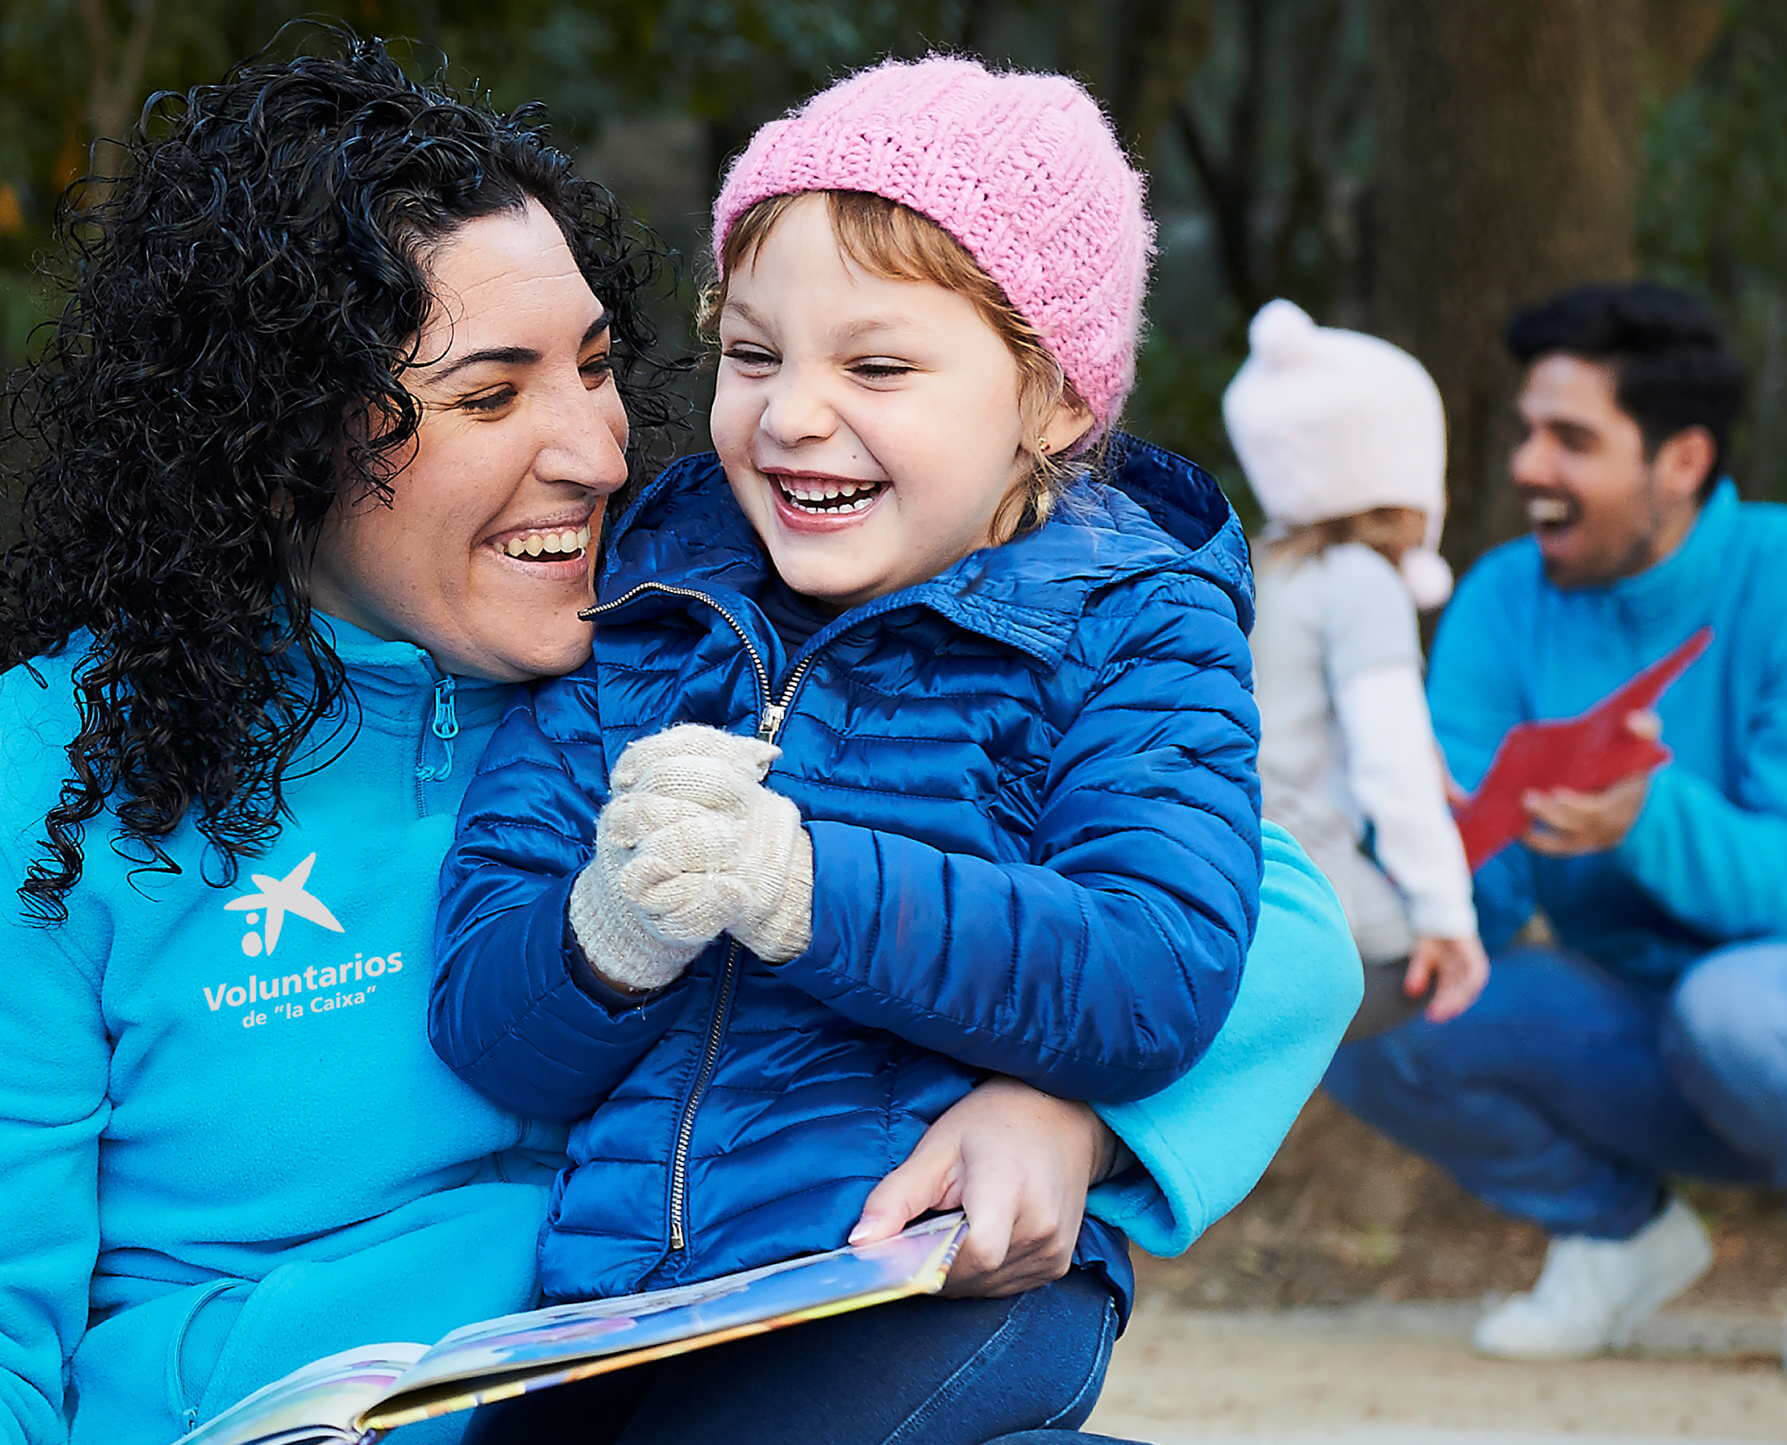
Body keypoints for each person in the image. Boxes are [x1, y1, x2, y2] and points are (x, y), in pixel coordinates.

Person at [0, 28, 1361, 1445]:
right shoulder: (53, 766)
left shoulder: (683, 634)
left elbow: (1266, 913)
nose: (595, 451)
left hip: (703, 1375)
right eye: (487, 393)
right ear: (278, 431)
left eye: (594, 367)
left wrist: (1066, 1110)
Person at [431, 56, 1262, 1443]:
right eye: (752, 355)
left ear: (1051, 402)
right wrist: (606, 933)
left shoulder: (1130, 625)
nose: (792, 412)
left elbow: (1153, 966)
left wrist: (804, 888)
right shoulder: (648, 604)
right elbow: (487, 1022)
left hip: (921, 1287)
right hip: (622, 1317)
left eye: (874, 364)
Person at [1326, 281, 1787, 1360]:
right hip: (1638, 1025)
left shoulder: (1774, 574)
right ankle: (1616, 1234)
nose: (1528, 465)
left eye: (1570, 439)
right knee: (1354, 991)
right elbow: (1471, 904)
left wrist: (1643, 817)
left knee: (1728, 1008)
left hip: (1753, 1010)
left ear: (1679, 460)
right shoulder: (1500, 597)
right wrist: (1420, 837)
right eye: (1529, 431)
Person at [1225, 298, 1486, 1040]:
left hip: (1212, 853)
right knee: (1416, 969)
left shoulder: (1255, 565)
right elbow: (1389, 757)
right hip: (1296, 877)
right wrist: (1444, 914)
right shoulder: (1361, 581)